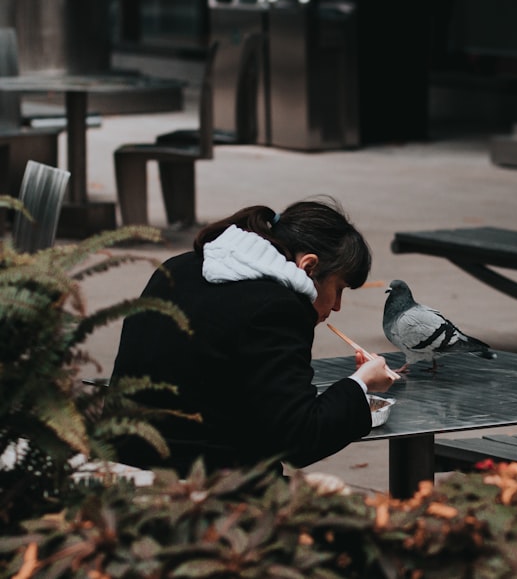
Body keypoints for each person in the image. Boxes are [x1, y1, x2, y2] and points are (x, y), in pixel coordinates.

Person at [108, 197, 397, 475]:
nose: (336, 306)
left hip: (119, 463)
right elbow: (301, 438)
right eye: (339, 288)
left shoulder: (177, 267)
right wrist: (360, 383)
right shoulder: (277, 308)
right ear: (308, 267)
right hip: (200, 485)